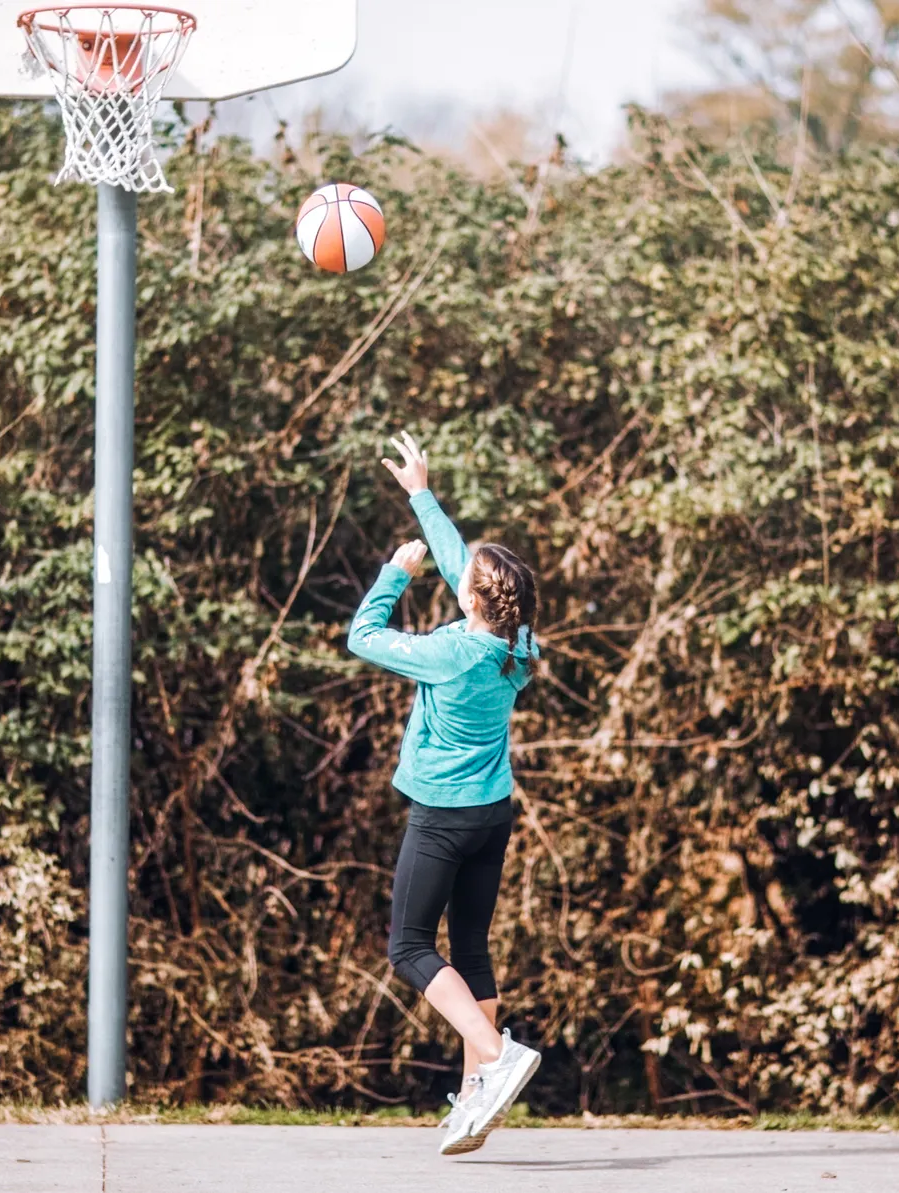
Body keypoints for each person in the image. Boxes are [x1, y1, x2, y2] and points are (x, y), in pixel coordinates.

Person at [347, 430, 543, 1156]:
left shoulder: (448, 653)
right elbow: (467, 568)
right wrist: (420, 494)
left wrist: (395, 573)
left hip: (441, 818)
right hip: (493, 813)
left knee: (406, 947)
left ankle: (494, 1058)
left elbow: (362, 635)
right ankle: (473, 1104)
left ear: (473, 599)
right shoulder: (518, 645)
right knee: (470, 948)